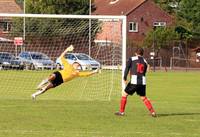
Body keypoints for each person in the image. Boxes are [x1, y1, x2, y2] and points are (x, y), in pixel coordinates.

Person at [31, 45, 100, 100]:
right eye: (77, 64)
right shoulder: (68, 65)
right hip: (59, 74)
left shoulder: (77, 73)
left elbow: (87, 74)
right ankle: (41, 84)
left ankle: (34, 95)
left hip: (61, 80)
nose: (78, 66)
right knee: (52, 76)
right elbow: (61, 56)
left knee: (46, 89)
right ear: (73, 64)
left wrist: (95, 71)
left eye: (78, 65)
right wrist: (67, 49)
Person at [115, 47, 156, 117]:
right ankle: (153, 112)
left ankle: (121, 112)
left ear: (135, 53)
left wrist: (124, 77)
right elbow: (144, 72)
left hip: (134, 81)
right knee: (143, 97)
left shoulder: (132, 59)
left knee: (124, 94)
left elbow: (127, 68)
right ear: (142, 54)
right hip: (142, 81)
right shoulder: (145, 61)